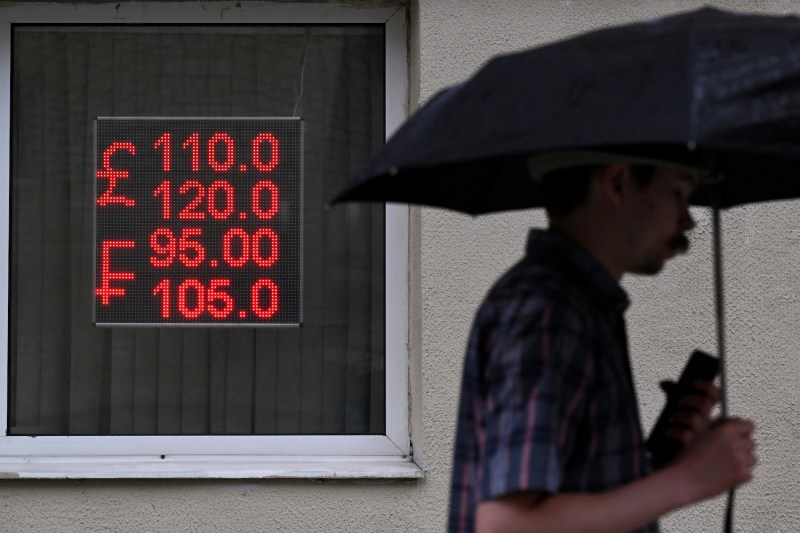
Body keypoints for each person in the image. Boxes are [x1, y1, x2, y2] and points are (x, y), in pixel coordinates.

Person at [448, 162, 757, 533]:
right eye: (677, 193)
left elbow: (571, 493)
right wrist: (688, 480)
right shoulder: (550, 311)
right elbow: (507, 525)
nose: (688, 220)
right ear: (617, 182)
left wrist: (665, 467)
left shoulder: (579, 305)